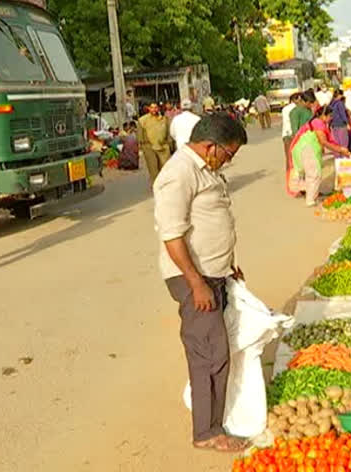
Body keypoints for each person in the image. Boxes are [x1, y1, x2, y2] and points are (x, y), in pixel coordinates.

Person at [153, 113, 248, 453]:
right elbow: (173, 235)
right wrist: (196, 283)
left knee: (216, 352)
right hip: (195, 278)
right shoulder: (179, 174)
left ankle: (213, 423)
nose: (229, 160)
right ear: (211, 146)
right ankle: (207, 432)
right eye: (228, 154)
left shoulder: (207, 169)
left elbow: (210, 223)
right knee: (209, 354)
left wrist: (227, 268)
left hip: (213, 273)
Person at [286, 106, 351, 206]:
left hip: (308, 148)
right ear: (323, 116)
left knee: (312, 173)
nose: (331, 118)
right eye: (330, 116)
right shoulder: (318, 123)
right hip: (307, 149)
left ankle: (311, 195)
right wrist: (340, 149)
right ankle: (310, 199)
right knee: (314, 174)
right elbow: (323, 141)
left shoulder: (319, 122)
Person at [138, 102, 171, 184]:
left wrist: (170, 145)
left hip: (163, 146)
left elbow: (168, 134)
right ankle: (156, 185)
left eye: (156, 107)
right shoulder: (143, 120)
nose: (154, 109)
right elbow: (140, 136)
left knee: (165, 167)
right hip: (149, 147)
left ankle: (166, 183)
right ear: (148, 108)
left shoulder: (164, 119)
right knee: (153, 168)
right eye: (152, 107)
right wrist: (142, 147)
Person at [329, 89, 351, 156]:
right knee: (343, 141)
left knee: (336, 142)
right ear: (340, 95)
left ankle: (337, 156)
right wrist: (347, 123)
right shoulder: (340, 103)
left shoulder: (331, 103)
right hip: (341, 124)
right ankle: (343, 156)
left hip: (333, 125)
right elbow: (342, 114)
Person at [281, 93, 300, 167]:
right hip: (295, 134)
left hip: (286, 133)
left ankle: (289, 175)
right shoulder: (298, 108)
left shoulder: (285, 109)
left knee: (289, 156)